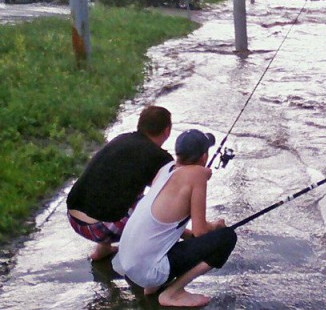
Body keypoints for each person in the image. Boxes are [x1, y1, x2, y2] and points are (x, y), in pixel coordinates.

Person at [112, 129, 237, 307]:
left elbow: (165, 226)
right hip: (146, 271)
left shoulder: (165, 170)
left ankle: (154, 286)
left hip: (127, 262)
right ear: (203, 156)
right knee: (227, 237)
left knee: (192, 239)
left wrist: (194, 235)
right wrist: (216, 226)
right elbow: (200, 231)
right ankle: (174, 292)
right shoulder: (197, 175)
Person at [66, 105, 174, 260]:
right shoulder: (160, 158)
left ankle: (103, 250)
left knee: (120, 188)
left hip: (74, 217)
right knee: (156, 202)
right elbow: (170, 195)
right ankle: (145, 258)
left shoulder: (122, 139)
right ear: (167, 131)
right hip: (101, 228)